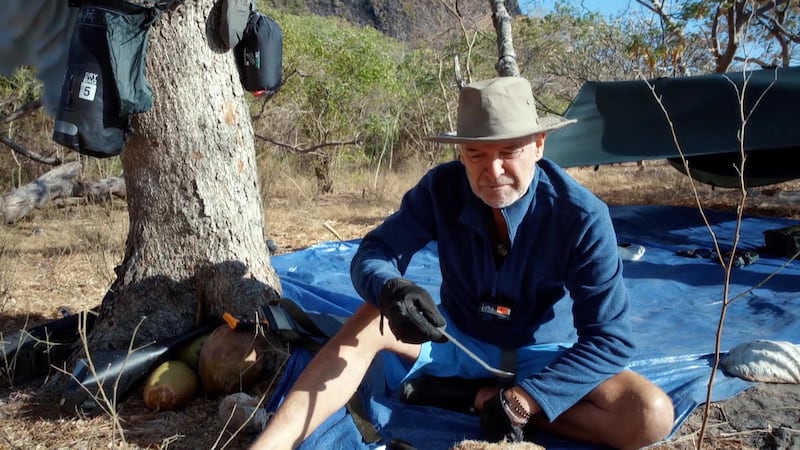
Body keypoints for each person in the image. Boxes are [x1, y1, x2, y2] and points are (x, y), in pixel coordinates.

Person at [250, 76, 675, 450]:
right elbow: (374, 253)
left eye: (509, 151)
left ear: (539, 145)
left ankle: (476, 398)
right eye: (476, 154)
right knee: (367, 319)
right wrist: (391, 289)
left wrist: (526, 399)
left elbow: (610, 340)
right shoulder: (442, 190)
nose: (493, 170)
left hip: (545, 353)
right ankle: (273, 444)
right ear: (461, 154)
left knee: (650, 415)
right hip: (455, 339)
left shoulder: (581, 217)